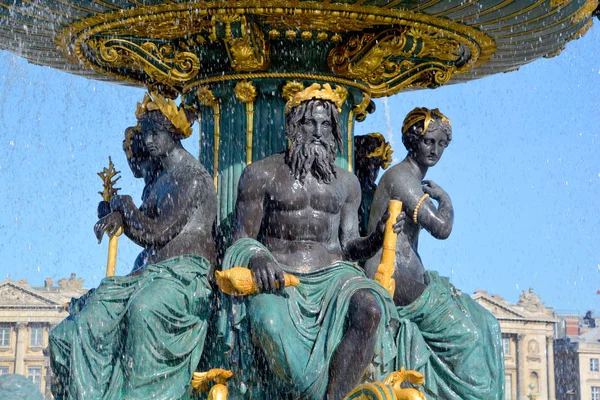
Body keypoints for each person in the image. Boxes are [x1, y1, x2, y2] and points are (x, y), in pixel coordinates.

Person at [218, 83, 402, 400]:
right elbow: (241, 239)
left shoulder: (348, 183)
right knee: (269, 322)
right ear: (292, 126)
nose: (317, 131)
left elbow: (349, 246)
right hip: (280, 276)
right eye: (309, 123)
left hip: (335, 278)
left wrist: (378, 234)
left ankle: (335, 397)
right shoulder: (261, 173)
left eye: (326, 124)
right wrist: (257, 258)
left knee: (370, 309)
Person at [48, 92, 217, 400]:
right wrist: (117, 211)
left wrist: (123, 205)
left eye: (156, 132)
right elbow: (144, 225)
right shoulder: (160, 180)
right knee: (76, 326)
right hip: (149, 274)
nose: (148, 140)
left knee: (143, 310)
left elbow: (155, 233)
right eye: (145, 133)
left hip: (183, 276)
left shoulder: (192, 178)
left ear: (174, 133)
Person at [365, 107, 504, 399]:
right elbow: (441, 228)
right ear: (411, 140)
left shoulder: (410, 178)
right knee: (467, 338)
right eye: (429, 141)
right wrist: (446, 199)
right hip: (392, 277)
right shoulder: (402, 178)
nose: (435, 150)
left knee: (487, 324)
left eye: (442, 144)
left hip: (411, 278)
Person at [353, 133, 393, 236]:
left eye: (378, 165)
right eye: (374, 164)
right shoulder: (368, 194)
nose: (375, 170)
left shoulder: (375, 193)